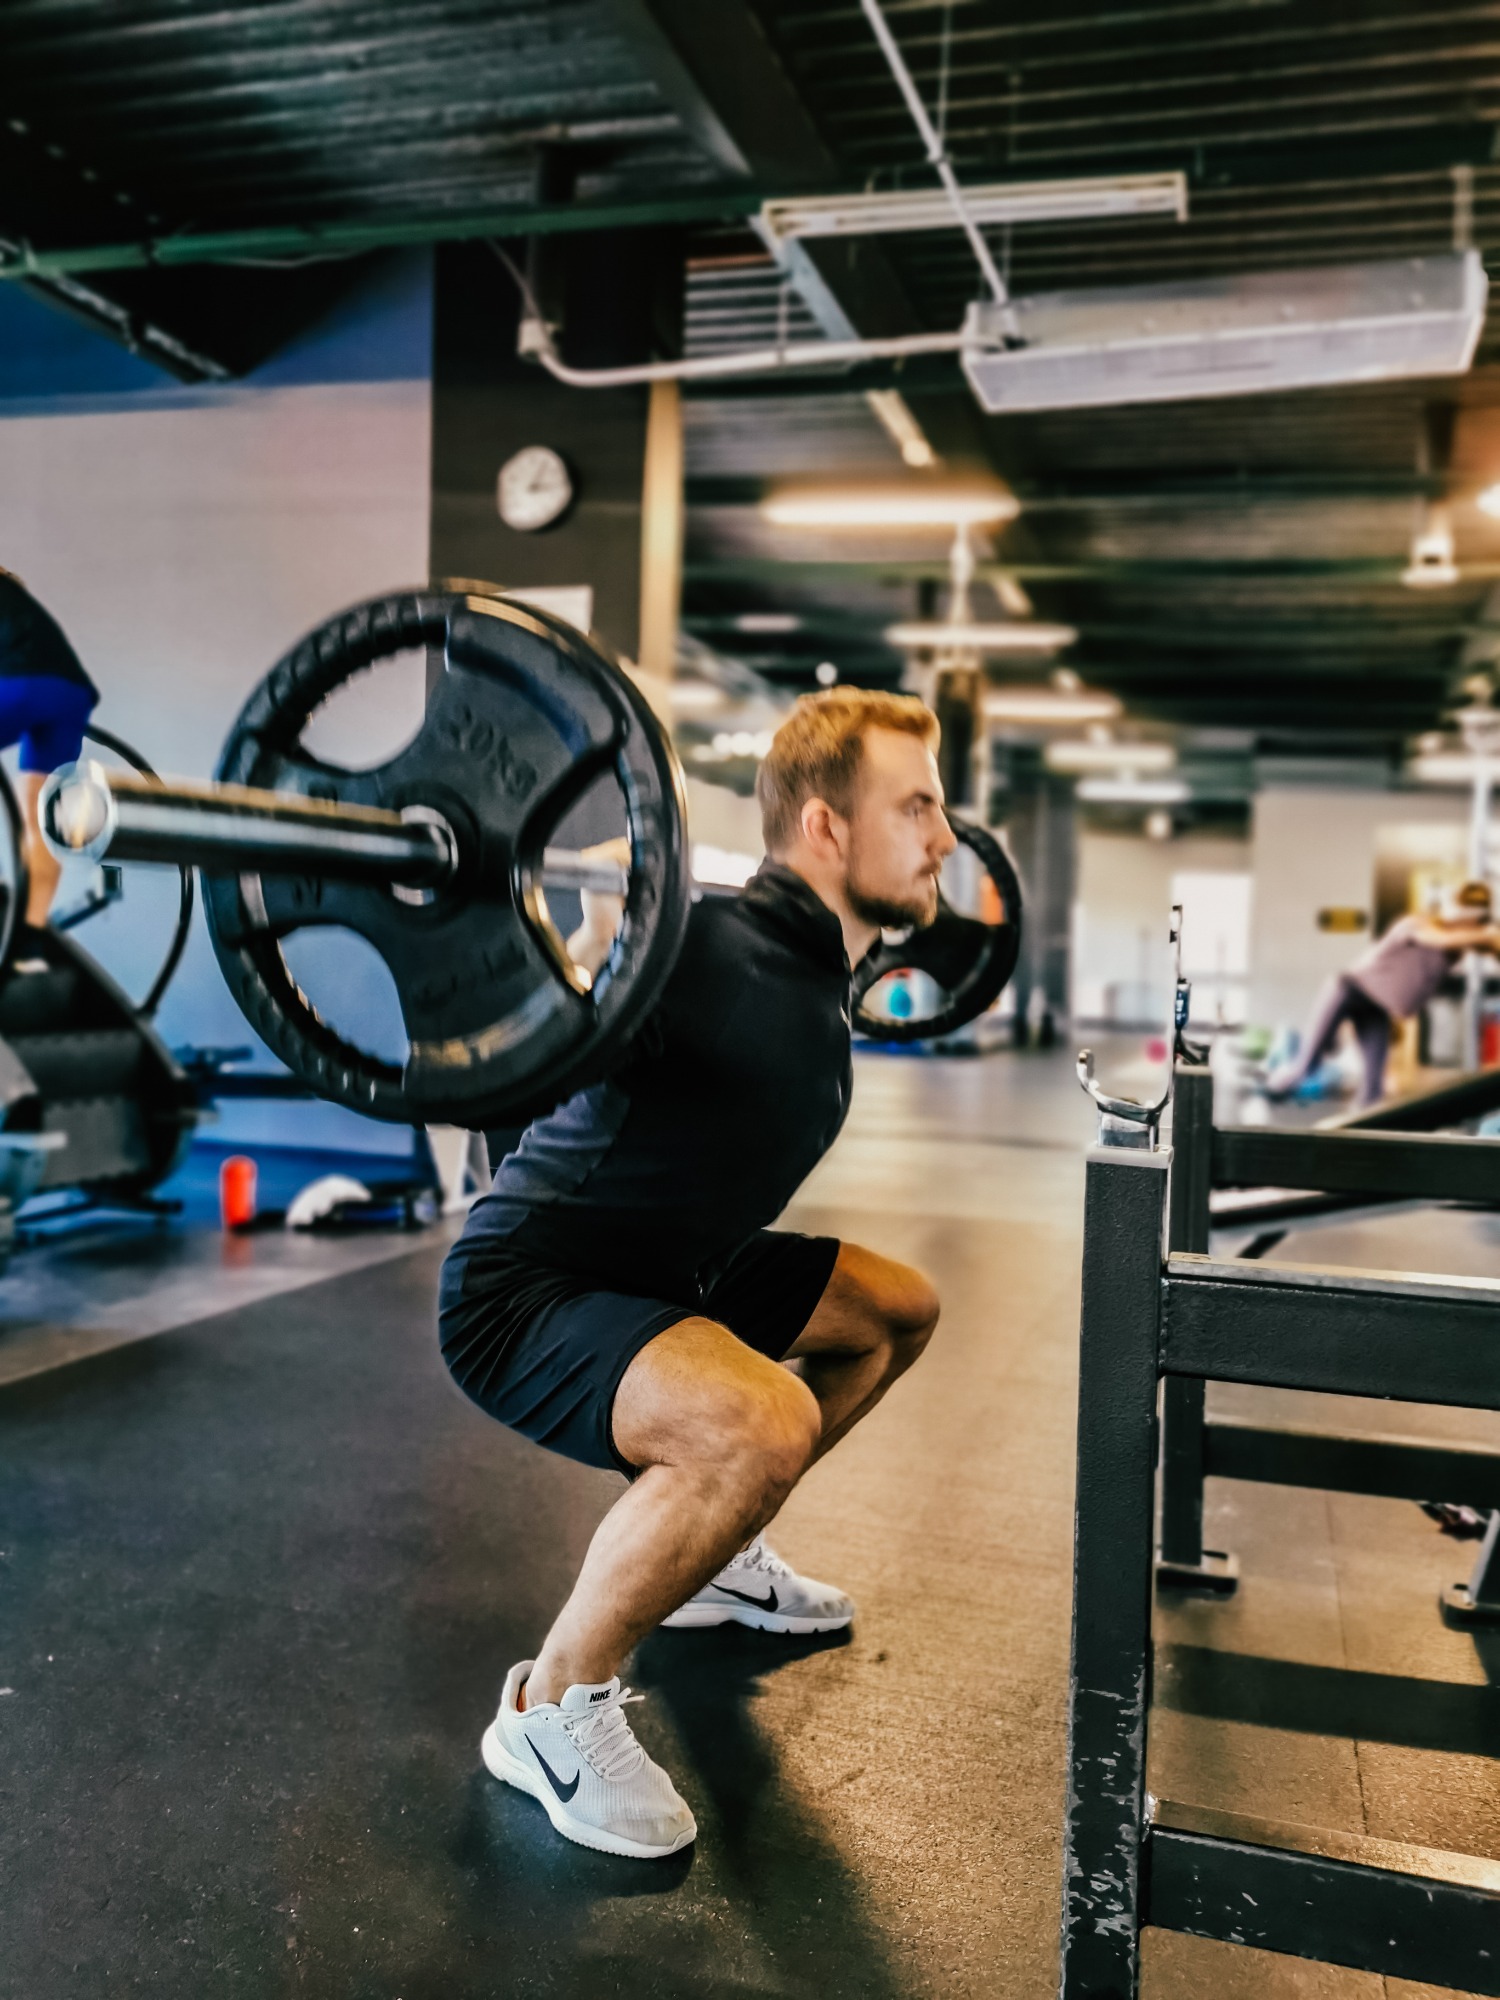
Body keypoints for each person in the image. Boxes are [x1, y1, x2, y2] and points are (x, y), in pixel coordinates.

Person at [437, 687, 955, 1860]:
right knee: (760, 1421)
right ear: (824, 828)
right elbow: (516, 1055)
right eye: (916, 806)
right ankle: (549, 1708)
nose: (943, 837)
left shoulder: (816, 962)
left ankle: (713, 1559)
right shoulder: (711, 946)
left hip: (674, 1269)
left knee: (892, 1311)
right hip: (530, 1290)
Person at [1265, 880, 1500, 1106]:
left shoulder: (1462, 943)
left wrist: (1491, 939)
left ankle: (1355, 1141)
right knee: (1306, 1066)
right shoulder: (1418, 924)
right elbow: (1441, 939)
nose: (1473, 929)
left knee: (1373, 1091)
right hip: (1346, 990)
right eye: (1471, 922)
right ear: (1457, 914)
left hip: (1376, 1008)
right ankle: (1270, 1090)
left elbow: (1484, 944)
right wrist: (1487, 934)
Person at [0, 567, 99, 927]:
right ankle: (31, 930)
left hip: (22, 682)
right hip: (71, 695)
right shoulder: (16, 598)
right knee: (39, 815)